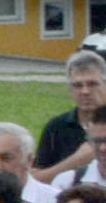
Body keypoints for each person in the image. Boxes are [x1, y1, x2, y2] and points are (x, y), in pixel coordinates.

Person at [34, 49, 106, 181]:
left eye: (92, 84)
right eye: (78, 86)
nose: (85, 91)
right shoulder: (57, 127)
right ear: (69, 90)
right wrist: (75, 162)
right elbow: (36, 180)